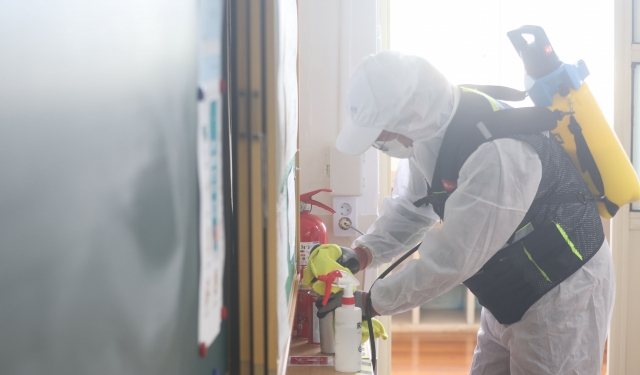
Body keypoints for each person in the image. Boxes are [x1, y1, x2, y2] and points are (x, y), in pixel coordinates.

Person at [317, 51, 615, 374]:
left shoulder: (497, 156)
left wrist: (370, 303)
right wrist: (363, 253)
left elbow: (451, 259)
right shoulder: (430, 135)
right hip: (510, 286)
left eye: (380, 137)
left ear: (407, 117)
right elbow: (413, 209)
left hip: (563, 295)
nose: (380, 145)